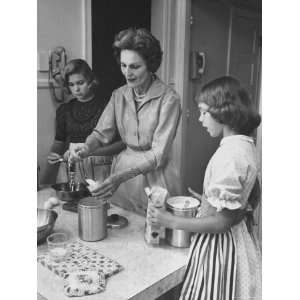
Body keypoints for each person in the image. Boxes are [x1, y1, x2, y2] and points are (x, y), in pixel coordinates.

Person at [148, 76, 262, 299]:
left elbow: (222, 222)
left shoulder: (230, 155)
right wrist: (209, 201)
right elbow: (251, 196)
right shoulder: (245, 146)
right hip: (238, 240)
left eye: (203, 112)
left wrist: (169, 220)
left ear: (224, 112)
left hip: (220, 248)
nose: (200, 119)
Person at [69, 28, 182, 215]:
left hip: (156, 178)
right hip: (122, 175)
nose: (127, 73)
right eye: (123, 65)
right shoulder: (118, 95)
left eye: (134, 66)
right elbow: (100, 133)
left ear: (150, 65)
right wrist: (87, 147)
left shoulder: (169, 99)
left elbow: (158, 154)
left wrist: (120, 177)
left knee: (154, 233)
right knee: (121, 227)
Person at [45, 59, 125, 184]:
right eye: (71, 85)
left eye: (80, 83)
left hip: (101, 170)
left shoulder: (107, 107)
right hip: (71, 171)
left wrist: (89, 152)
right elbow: (58, 143)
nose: (76, 89)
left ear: (90, 81)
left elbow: (122, 144)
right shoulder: (64, 110)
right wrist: (53, 156)